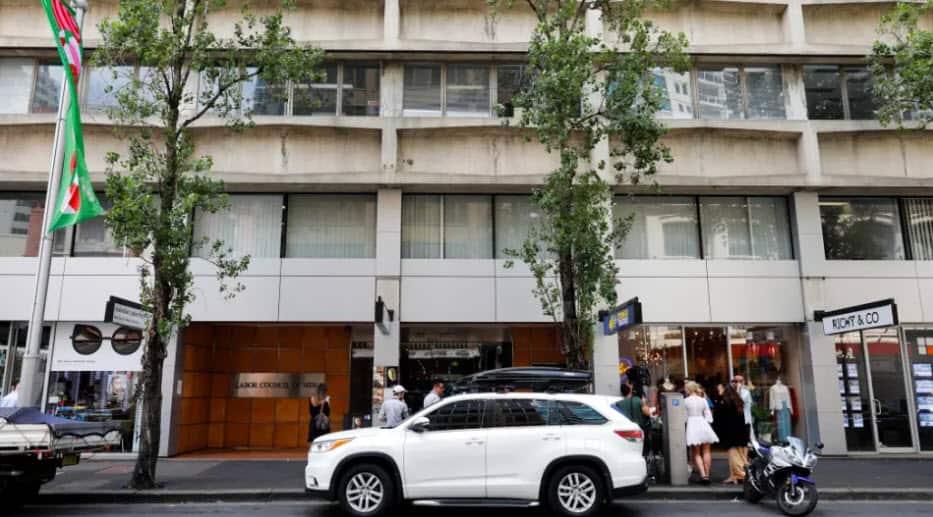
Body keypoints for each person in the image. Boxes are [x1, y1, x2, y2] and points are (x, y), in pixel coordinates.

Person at [684, 381, 718, 484]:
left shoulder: (685, 401)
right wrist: (705, 423)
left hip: (692, 424)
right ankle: (707, 475)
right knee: (707, 451)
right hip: (703, 423)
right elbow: (709, 416)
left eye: (686, 388)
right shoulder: (703, 400)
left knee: (696, 452)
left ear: (689, 389)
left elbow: (684, 417)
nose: (685, 390)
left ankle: (703, 475)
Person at [719, 384, 748, 484]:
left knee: (733, 456)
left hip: (730, 433)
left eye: (720, 389)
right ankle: (734, 476)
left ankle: (744, 475)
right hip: (740, 431)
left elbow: (722, 419)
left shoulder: (725, 402)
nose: (719, 392)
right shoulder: (738, 401)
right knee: (740, 455)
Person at [733, 375, 754, 439]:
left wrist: (738, 390)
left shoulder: (746, 392)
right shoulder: (732, 391)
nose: (737, 383)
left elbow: (739, 402)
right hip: (735, 420)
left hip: (745, 419)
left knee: (744, 439)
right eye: (735, 381)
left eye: (739, 381)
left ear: (743, 382)